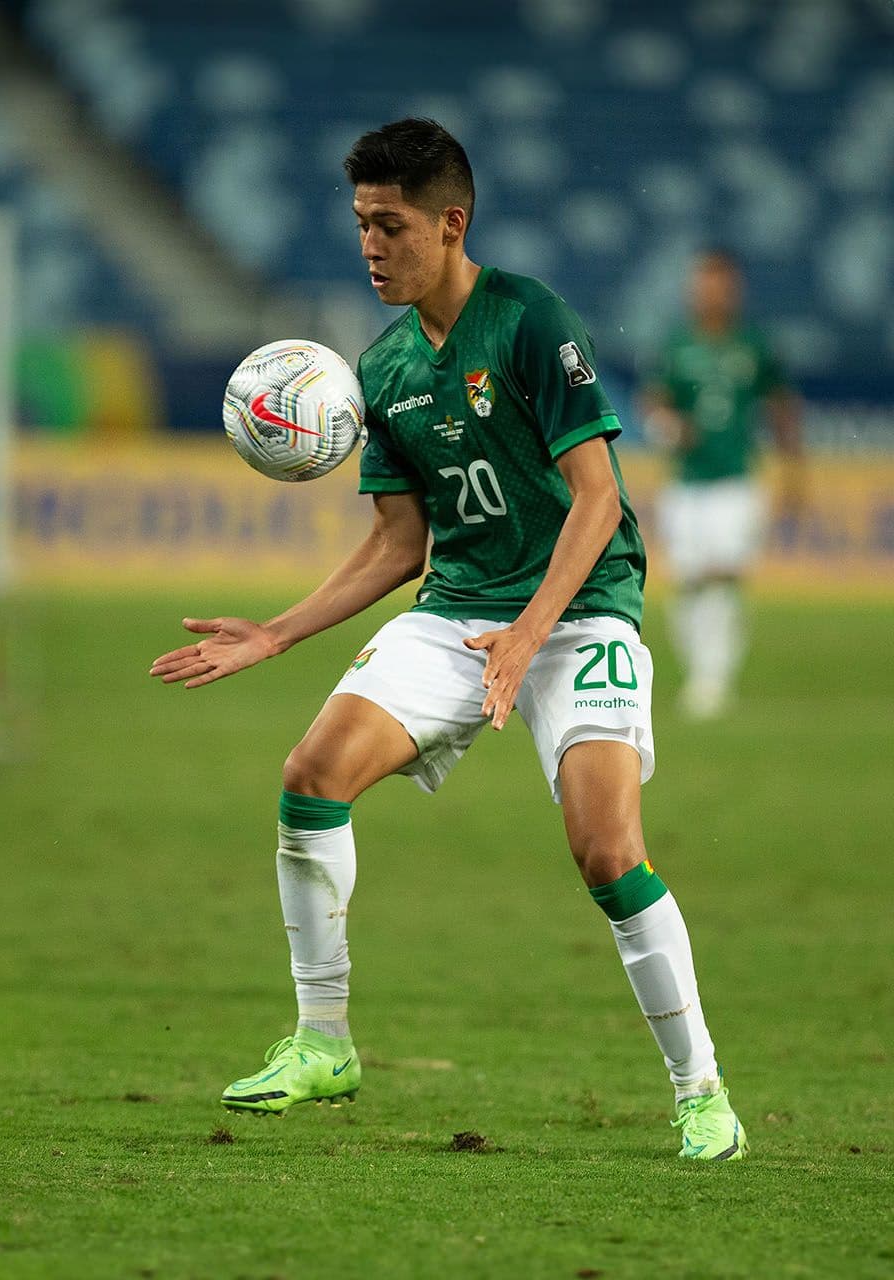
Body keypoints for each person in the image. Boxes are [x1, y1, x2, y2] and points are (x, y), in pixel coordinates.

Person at [150, 118, 746, 1160]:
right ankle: (322, 1040)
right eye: (360, 226)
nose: (371, 246)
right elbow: (397, 546)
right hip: (460, 607)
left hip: (579, 608)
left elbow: (599, 498)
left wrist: (529, 633)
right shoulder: (380, 372)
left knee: (608, 851)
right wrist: (280, 633)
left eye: (390, 226)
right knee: (311, 775)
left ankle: (702, 1091)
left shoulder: (528, 321)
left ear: (450, 223)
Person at [641, 248, 802, 719]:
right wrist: (670, 426)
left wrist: (794, 474)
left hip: (735, 480)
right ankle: (701, 670)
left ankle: (713, 678)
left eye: (720, 283)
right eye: (704, 282)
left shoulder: (753, 344)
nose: (712, 291)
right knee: (689, 579)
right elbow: (654, 404)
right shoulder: (676, 345)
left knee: (722, 575)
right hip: (687, 483)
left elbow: (780, 408)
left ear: (735, 289)